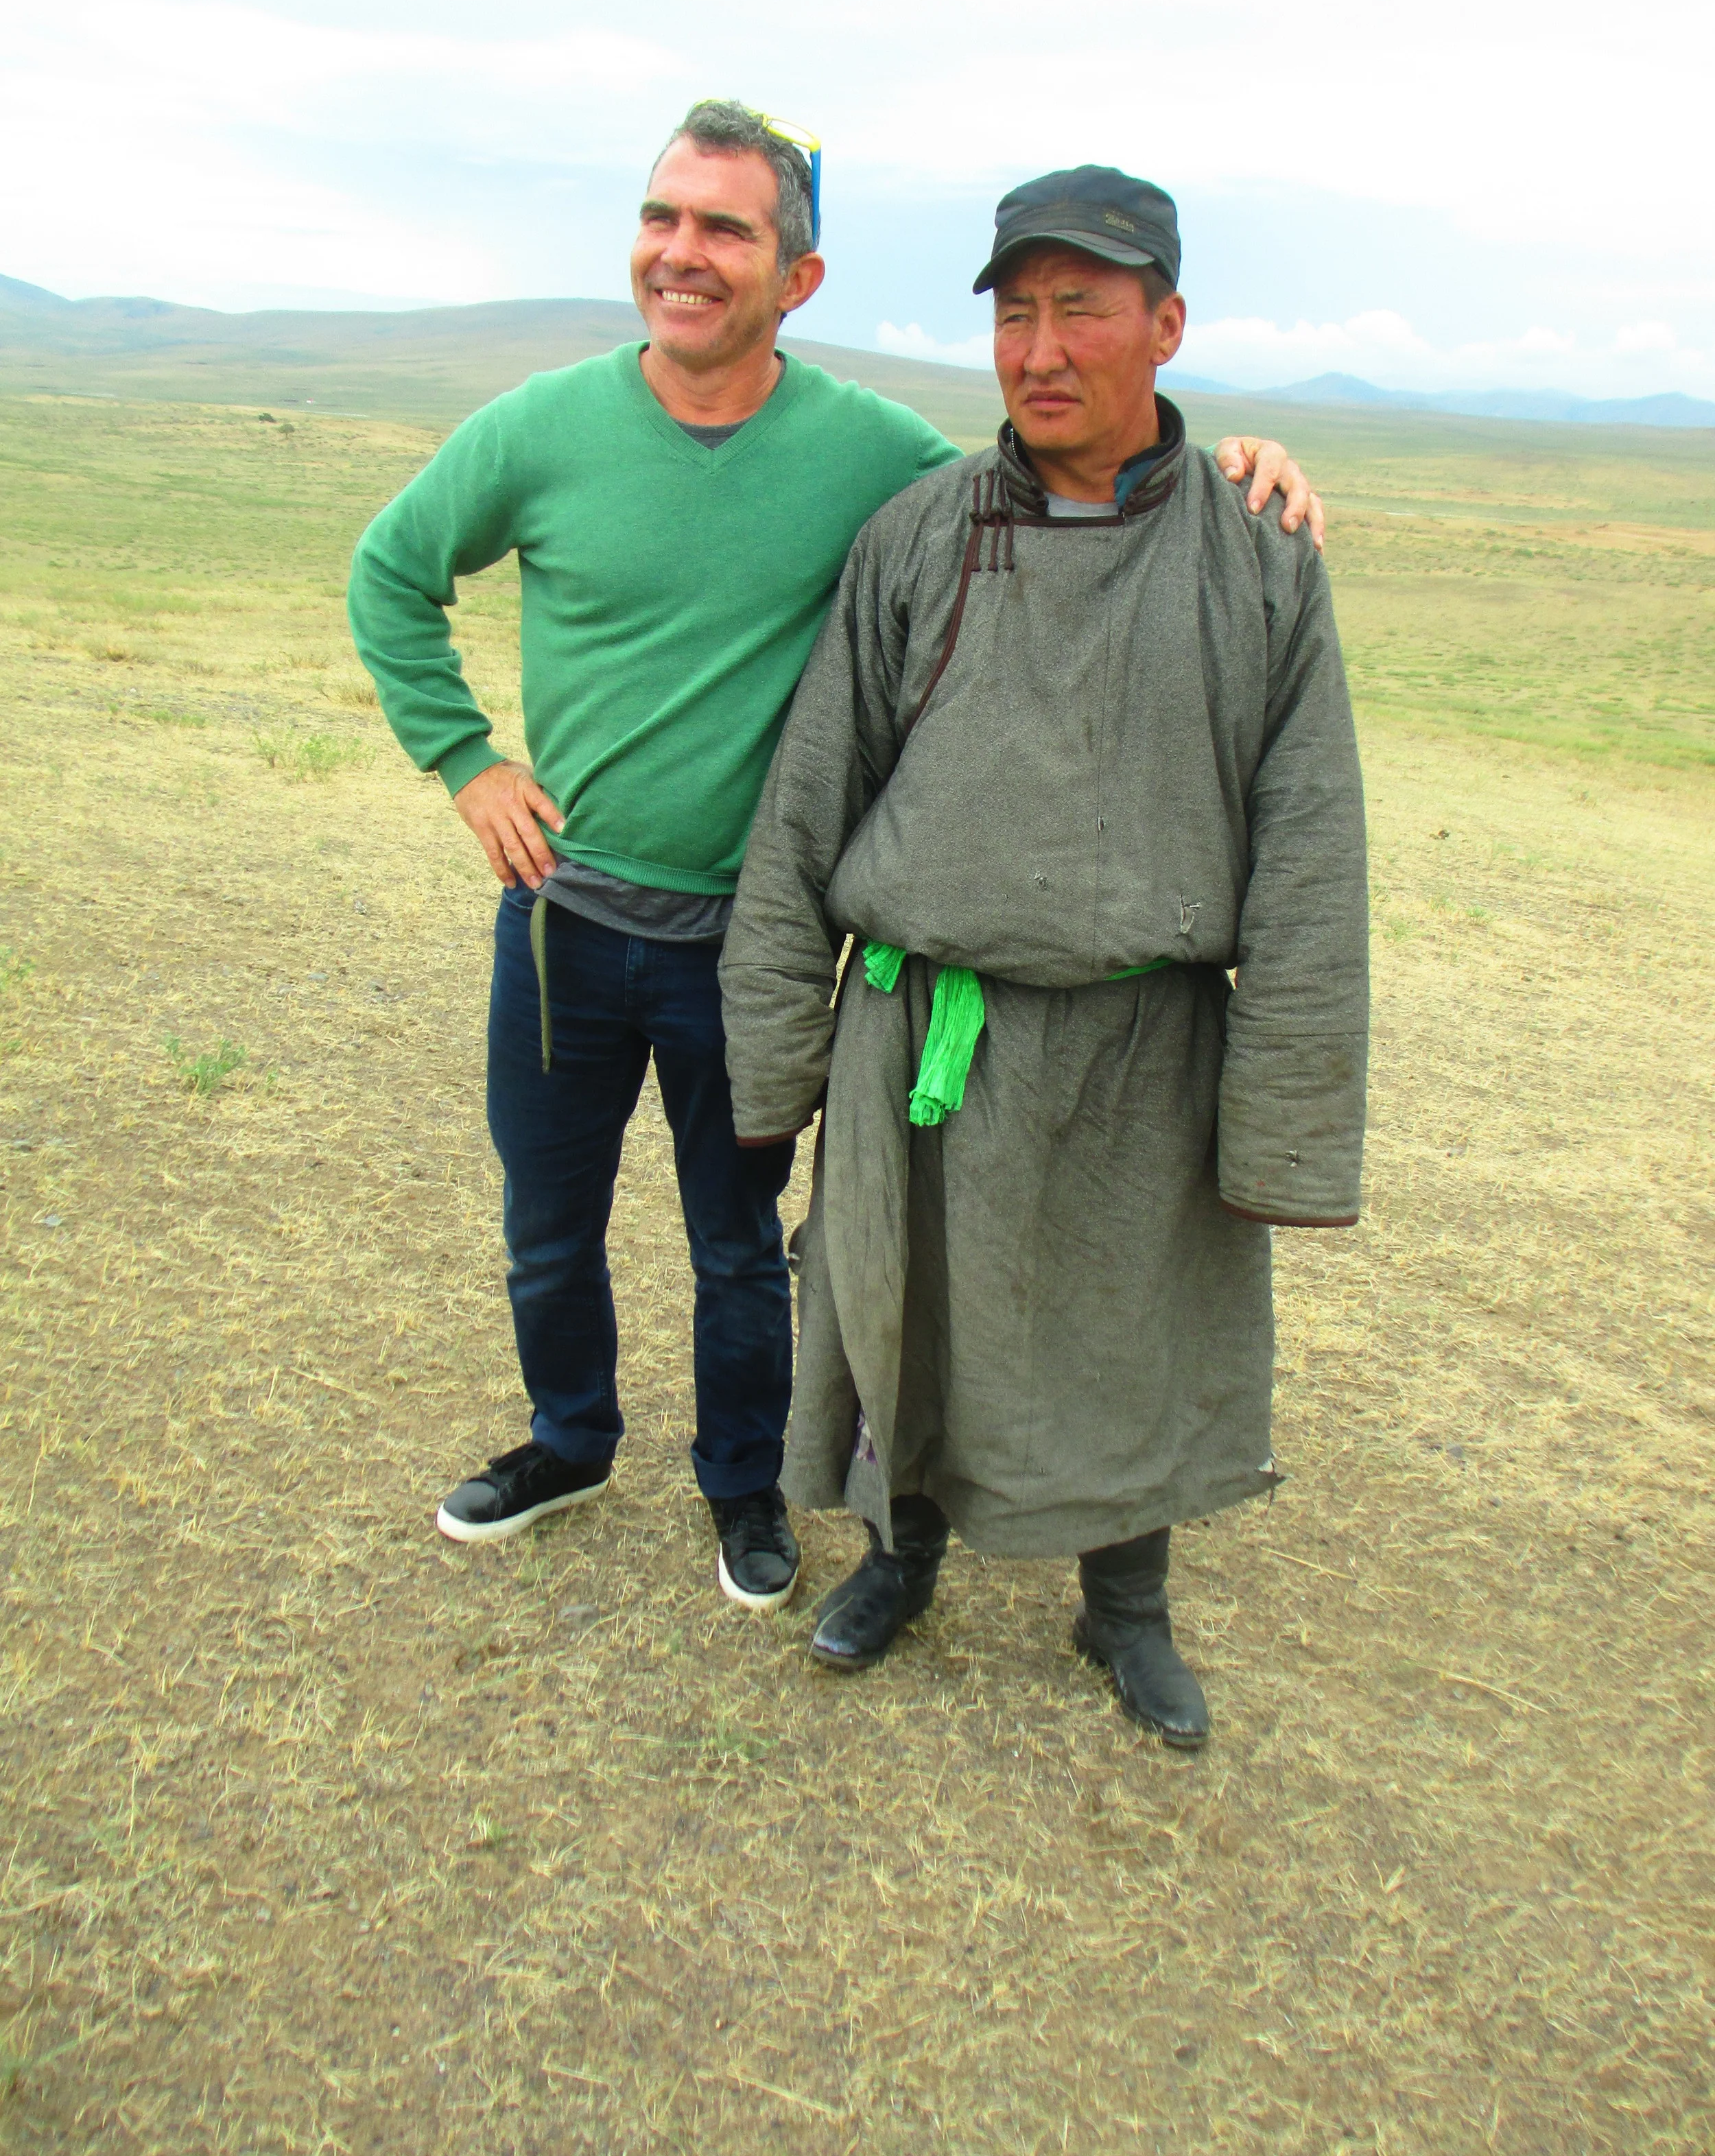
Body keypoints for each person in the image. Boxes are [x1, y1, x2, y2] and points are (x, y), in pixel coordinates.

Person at [349, 108, 1328, 1618]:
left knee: (759, 1252)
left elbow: (1070, 495)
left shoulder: (875, 459)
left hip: (777, 942)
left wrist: (1237, 465)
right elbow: (390, 575)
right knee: (571, 1232)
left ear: (796, 278)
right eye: (663, 216)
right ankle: (578, 1446)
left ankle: (763, 1491)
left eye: (726, 228)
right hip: (569, 923)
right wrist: (467, 759)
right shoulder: (551, 431)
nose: (683, 253)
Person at [719, 165, 1368, 1741]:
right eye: (1016, 313)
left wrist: (1277, 1130)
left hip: (1140, 1044)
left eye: (1082, 307)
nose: (1041, 348)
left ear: (1165, 324)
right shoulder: (915, 537)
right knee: (897, 1300)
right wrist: (771, 1068)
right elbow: (808, 810)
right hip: (922, 1029)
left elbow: (1306, 861)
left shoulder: (1259, 561)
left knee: (1126, 1318)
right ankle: (900, 1555)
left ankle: (1122, 1609)